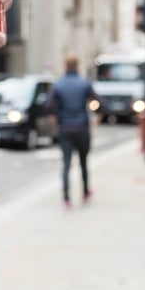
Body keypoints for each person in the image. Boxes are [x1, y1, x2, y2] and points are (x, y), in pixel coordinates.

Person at [46, 55, 103, 210]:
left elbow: (49, 105)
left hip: (65, 128)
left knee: (66, 164)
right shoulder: (84, 83)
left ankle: (66, 198)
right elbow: (99, 102)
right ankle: (85, 192)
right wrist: (96, 117)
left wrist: (56, 121)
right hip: (82, 128)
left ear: (65, 66)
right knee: (84, 162)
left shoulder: (59, 84)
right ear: (77, 66)